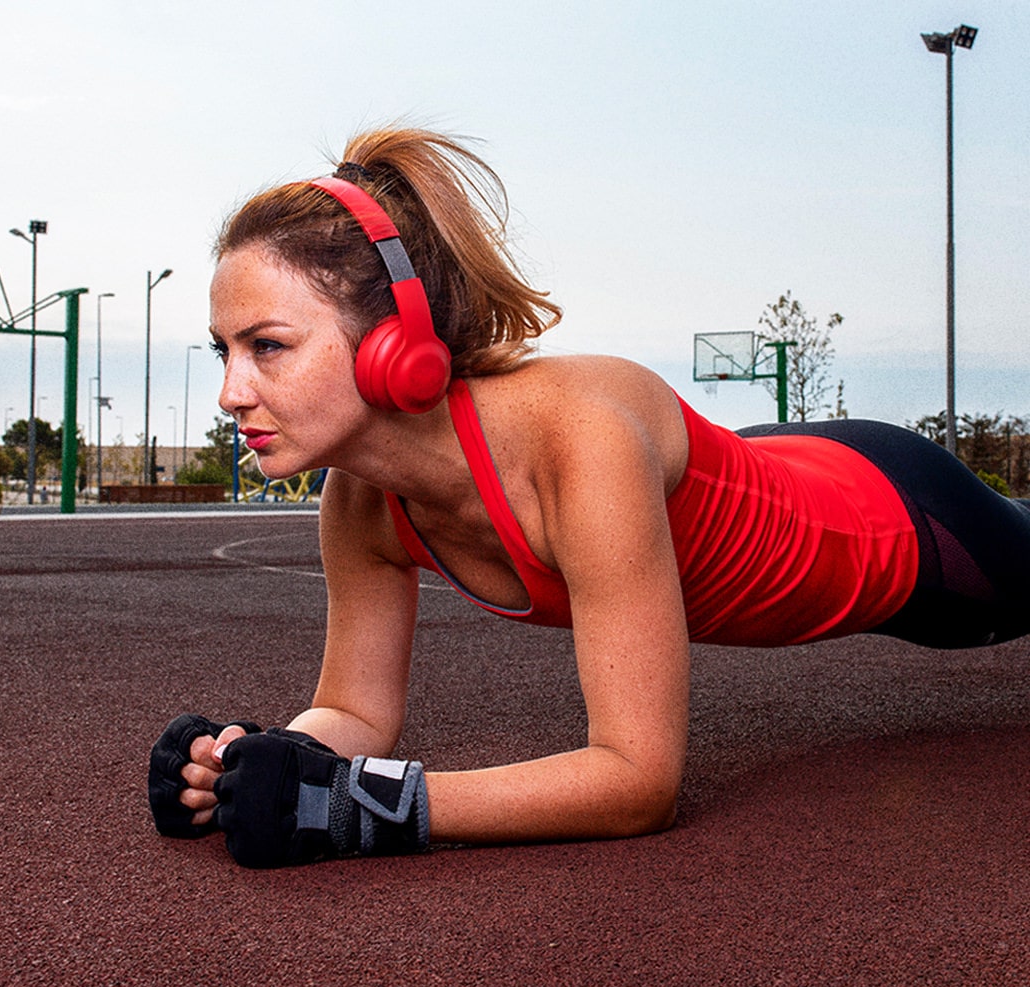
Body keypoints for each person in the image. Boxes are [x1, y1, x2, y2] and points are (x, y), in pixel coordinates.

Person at [148, 127, 1030, 868]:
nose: (230, 391)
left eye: (266, 346)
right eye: (223, 349)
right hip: (762, 467)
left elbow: (637, 784)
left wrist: (363, 807)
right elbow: (356, 712)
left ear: (395, 342)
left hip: (901, 523)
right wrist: (258, 759)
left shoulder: (578, 443)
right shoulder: (361, 502)